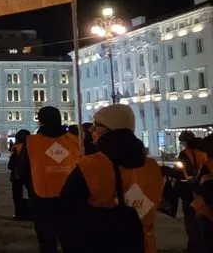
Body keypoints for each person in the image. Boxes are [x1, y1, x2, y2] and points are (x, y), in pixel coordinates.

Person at [61, 104, 162, 253]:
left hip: (100, 244)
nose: (91, 130)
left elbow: (67, 213)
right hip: (143, 245)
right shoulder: (152, 167)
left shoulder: (91, 166)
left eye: (95, 126)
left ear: (105, 129)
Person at [17, 106, 80, 253]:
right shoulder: (75, 141)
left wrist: (31, 186)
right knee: (70, 240)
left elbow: (22, 170)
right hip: (71, 198)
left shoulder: (31, 142)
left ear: (40, 121)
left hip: (41, 197)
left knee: (47, 242)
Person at [175, 130, 207, 252]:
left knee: (191, 220)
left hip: (189, 191)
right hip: (204, 189)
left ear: (185, 141)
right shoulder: (204, 152)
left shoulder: (185, 153)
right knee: (203, 217)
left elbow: (180, 172)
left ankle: (194, 247)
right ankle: (203, 244)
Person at [8, 129, 30, 220]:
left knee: (17, 194)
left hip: (16, 174)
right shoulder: (31, 146)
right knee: (31, 194)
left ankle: (18, 212)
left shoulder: (16, 147)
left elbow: (12, 162)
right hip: (28, 173)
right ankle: (31, 212)